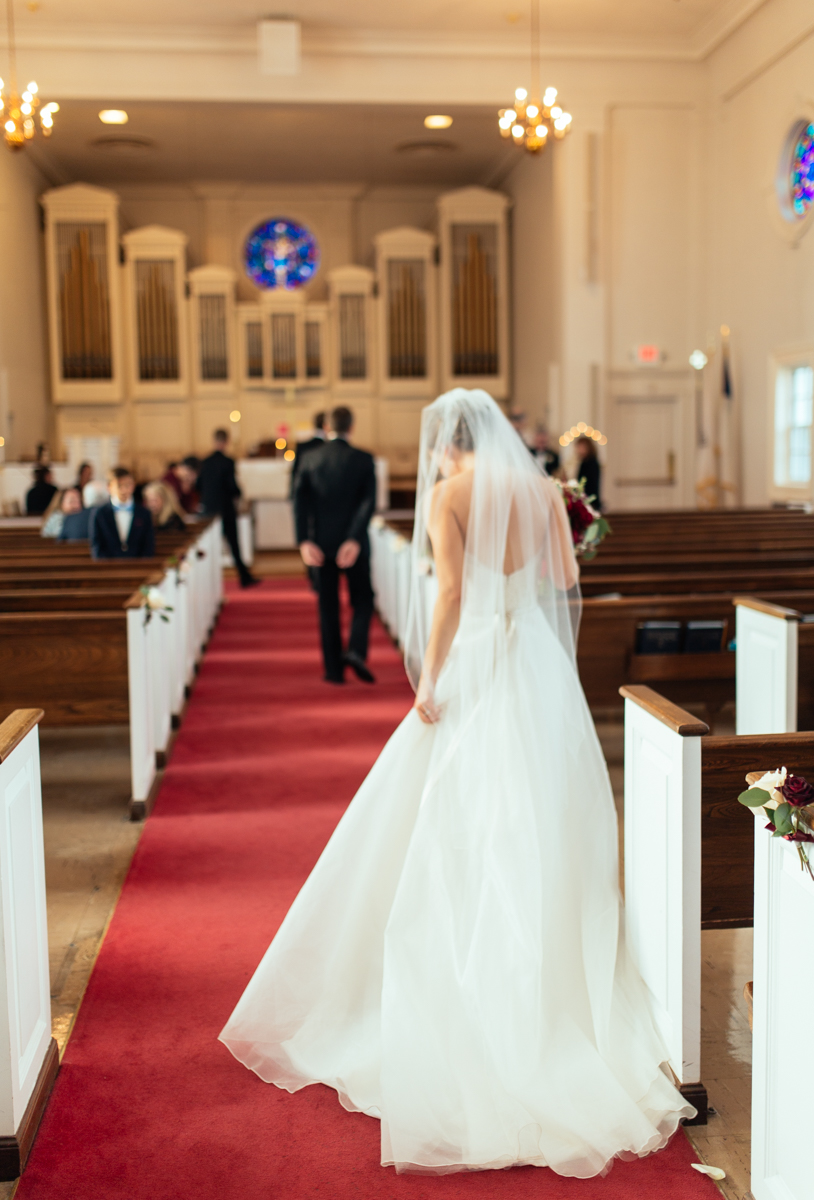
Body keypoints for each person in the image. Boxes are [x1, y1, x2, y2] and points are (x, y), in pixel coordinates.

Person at [219, 388, 694, 1177]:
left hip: (478, 655)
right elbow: (563, 570)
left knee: (461, 816)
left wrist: (427, 678)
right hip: (536, 664)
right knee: (538, 811)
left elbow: (446, 595)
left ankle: (460, 981)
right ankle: (549, 980)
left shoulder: (448, 492)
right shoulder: (544, 490)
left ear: (449, 442)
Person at [293, 405, 376, 684]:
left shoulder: (310, 458)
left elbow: (299, 503)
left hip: (321, 543)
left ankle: (333, 670)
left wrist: (304, 540)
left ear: (327, 428)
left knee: (327, 605)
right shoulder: (363, 459)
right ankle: (355, 649)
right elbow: (368, 503)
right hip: (355, 544)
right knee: (363, 599)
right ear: (351, 427)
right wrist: (353, 538)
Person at [196, 430, 257, 588]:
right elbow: (232, 486)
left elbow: (198, 486)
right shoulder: (228, 461)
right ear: (227, 442)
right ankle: (244, 577)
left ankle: (209, 583)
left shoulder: (205, 462)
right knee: (234, 544)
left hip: (208, 511)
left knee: (209, 547)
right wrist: (239, 492)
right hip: (225, 509)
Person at [90, 467, 155, 559]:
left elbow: (148, 546)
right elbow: (97, 546)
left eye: (128, 485)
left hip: (138, 567)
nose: (124, 490)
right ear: (109, 487)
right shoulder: (99, 513)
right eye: (119, 486)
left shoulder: (144, 513)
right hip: (108, 568)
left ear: (133, 486)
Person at [289, 411, 325, 497]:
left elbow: (295, 474)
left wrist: (292, 494)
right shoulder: (331, 448)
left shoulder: (302, 447)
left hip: (306, 495)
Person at [576, 435, 601, 505]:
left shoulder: (592, 463)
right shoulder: (584, 462)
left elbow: (591, 484)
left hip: (590, 499)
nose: (579, 450)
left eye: (581, 447)